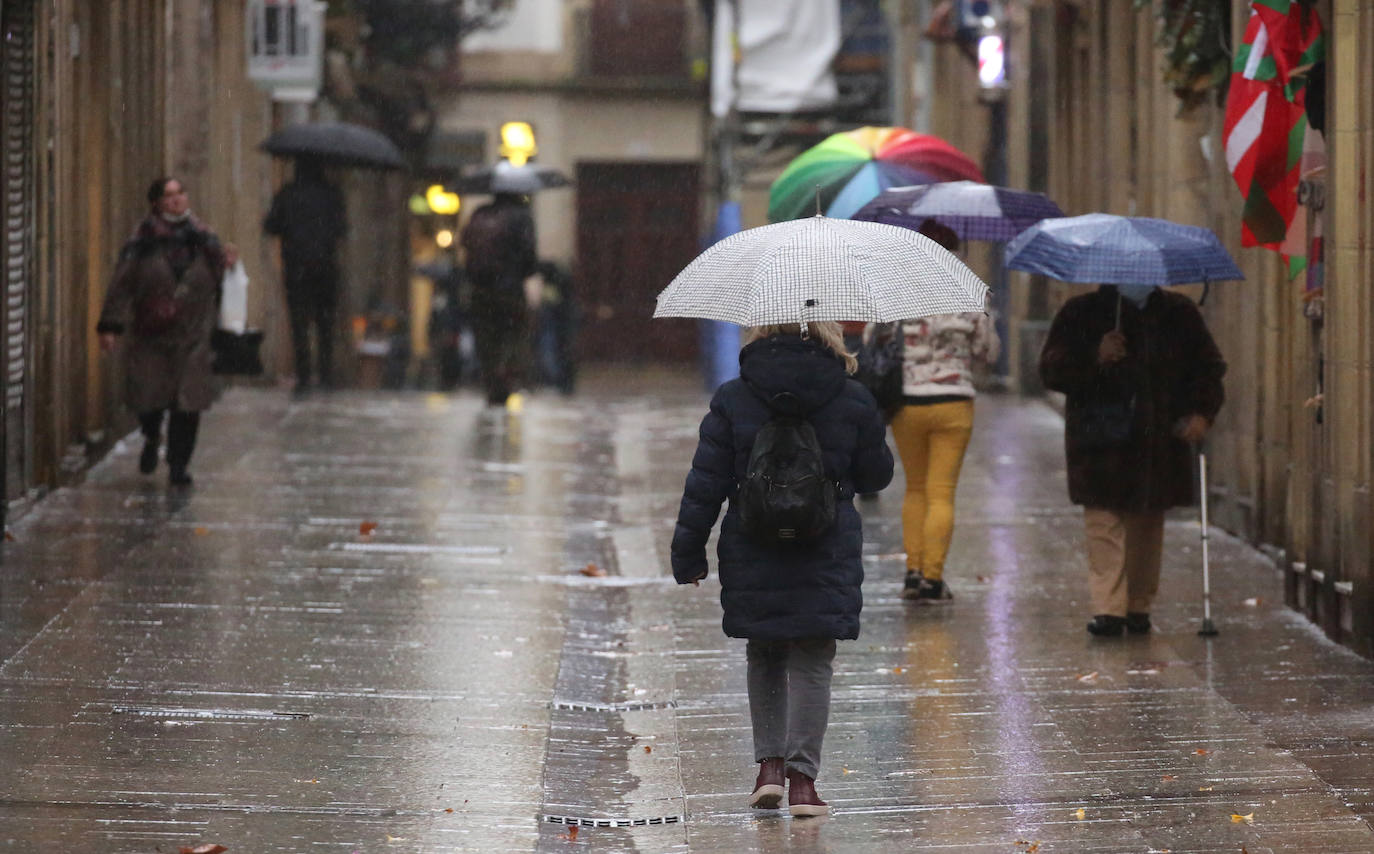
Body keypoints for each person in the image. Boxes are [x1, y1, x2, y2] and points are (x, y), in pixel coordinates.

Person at [671, 322, 893, 817]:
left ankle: (768, 768)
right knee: (813, 658)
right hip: (826, 543)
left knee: (765, 652)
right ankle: (803, 784)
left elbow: (704, 482)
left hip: (754, 542)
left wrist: (688, 553)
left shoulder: (733, 397)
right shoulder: (851, 396)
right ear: (828, 334)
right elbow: (877, 474)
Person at [1039, 283, 1226, 636]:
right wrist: (1095, 354)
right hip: (1098, 442)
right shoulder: (1081, 312)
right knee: (1103, 522)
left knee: (1146, 523)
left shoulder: (1179, 313)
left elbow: (1208, 368)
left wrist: (1202, 412)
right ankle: (1108, 610)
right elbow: (1051, 370)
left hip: (1157, 441)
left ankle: (1138, 604)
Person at [886, 219, 1000, 603]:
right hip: (953, 402)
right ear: (956, 252)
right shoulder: (971, 291)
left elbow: (876, 341)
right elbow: (989, 351)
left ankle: (913, 573)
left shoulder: (898, 290)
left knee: (915, 488)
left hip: (907, 402)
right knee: (941, 492)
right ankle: (934, 579)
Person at [96, 177, 234, 486]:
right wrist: (110, 325)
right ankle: (150, 434)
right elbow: (121, 284)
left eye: (180, 193)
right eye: (168, 196)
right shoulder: (142, 241)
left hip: (193, 335)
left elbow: (221, 282)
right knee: (149, 399)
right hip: (151, 334)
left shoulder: (205, 239)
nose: (176, 200)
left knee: (188, 404)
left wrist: (230, 268)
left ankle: (178, 464)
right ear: (156, 203)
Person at [263, 158, 347, 396]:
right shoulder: (332, 195)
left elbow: (271, 225)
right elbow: (341, 229)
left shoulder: (288, 194)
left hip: (296, 266)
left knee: (299, 323)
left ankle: (304, 377)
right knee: (325, 323)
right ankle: (326, 375)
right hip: (325, 267)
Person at [460, 191, 536, 406]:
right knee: (515, 334)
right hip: (510, 288)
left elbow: (464, 243)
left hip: (480, 288)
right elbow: (529, 254)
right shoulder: (521, 216)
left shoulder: (479, 213)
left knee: (486, 337)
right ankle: (506, 372)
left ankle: (492, 380)